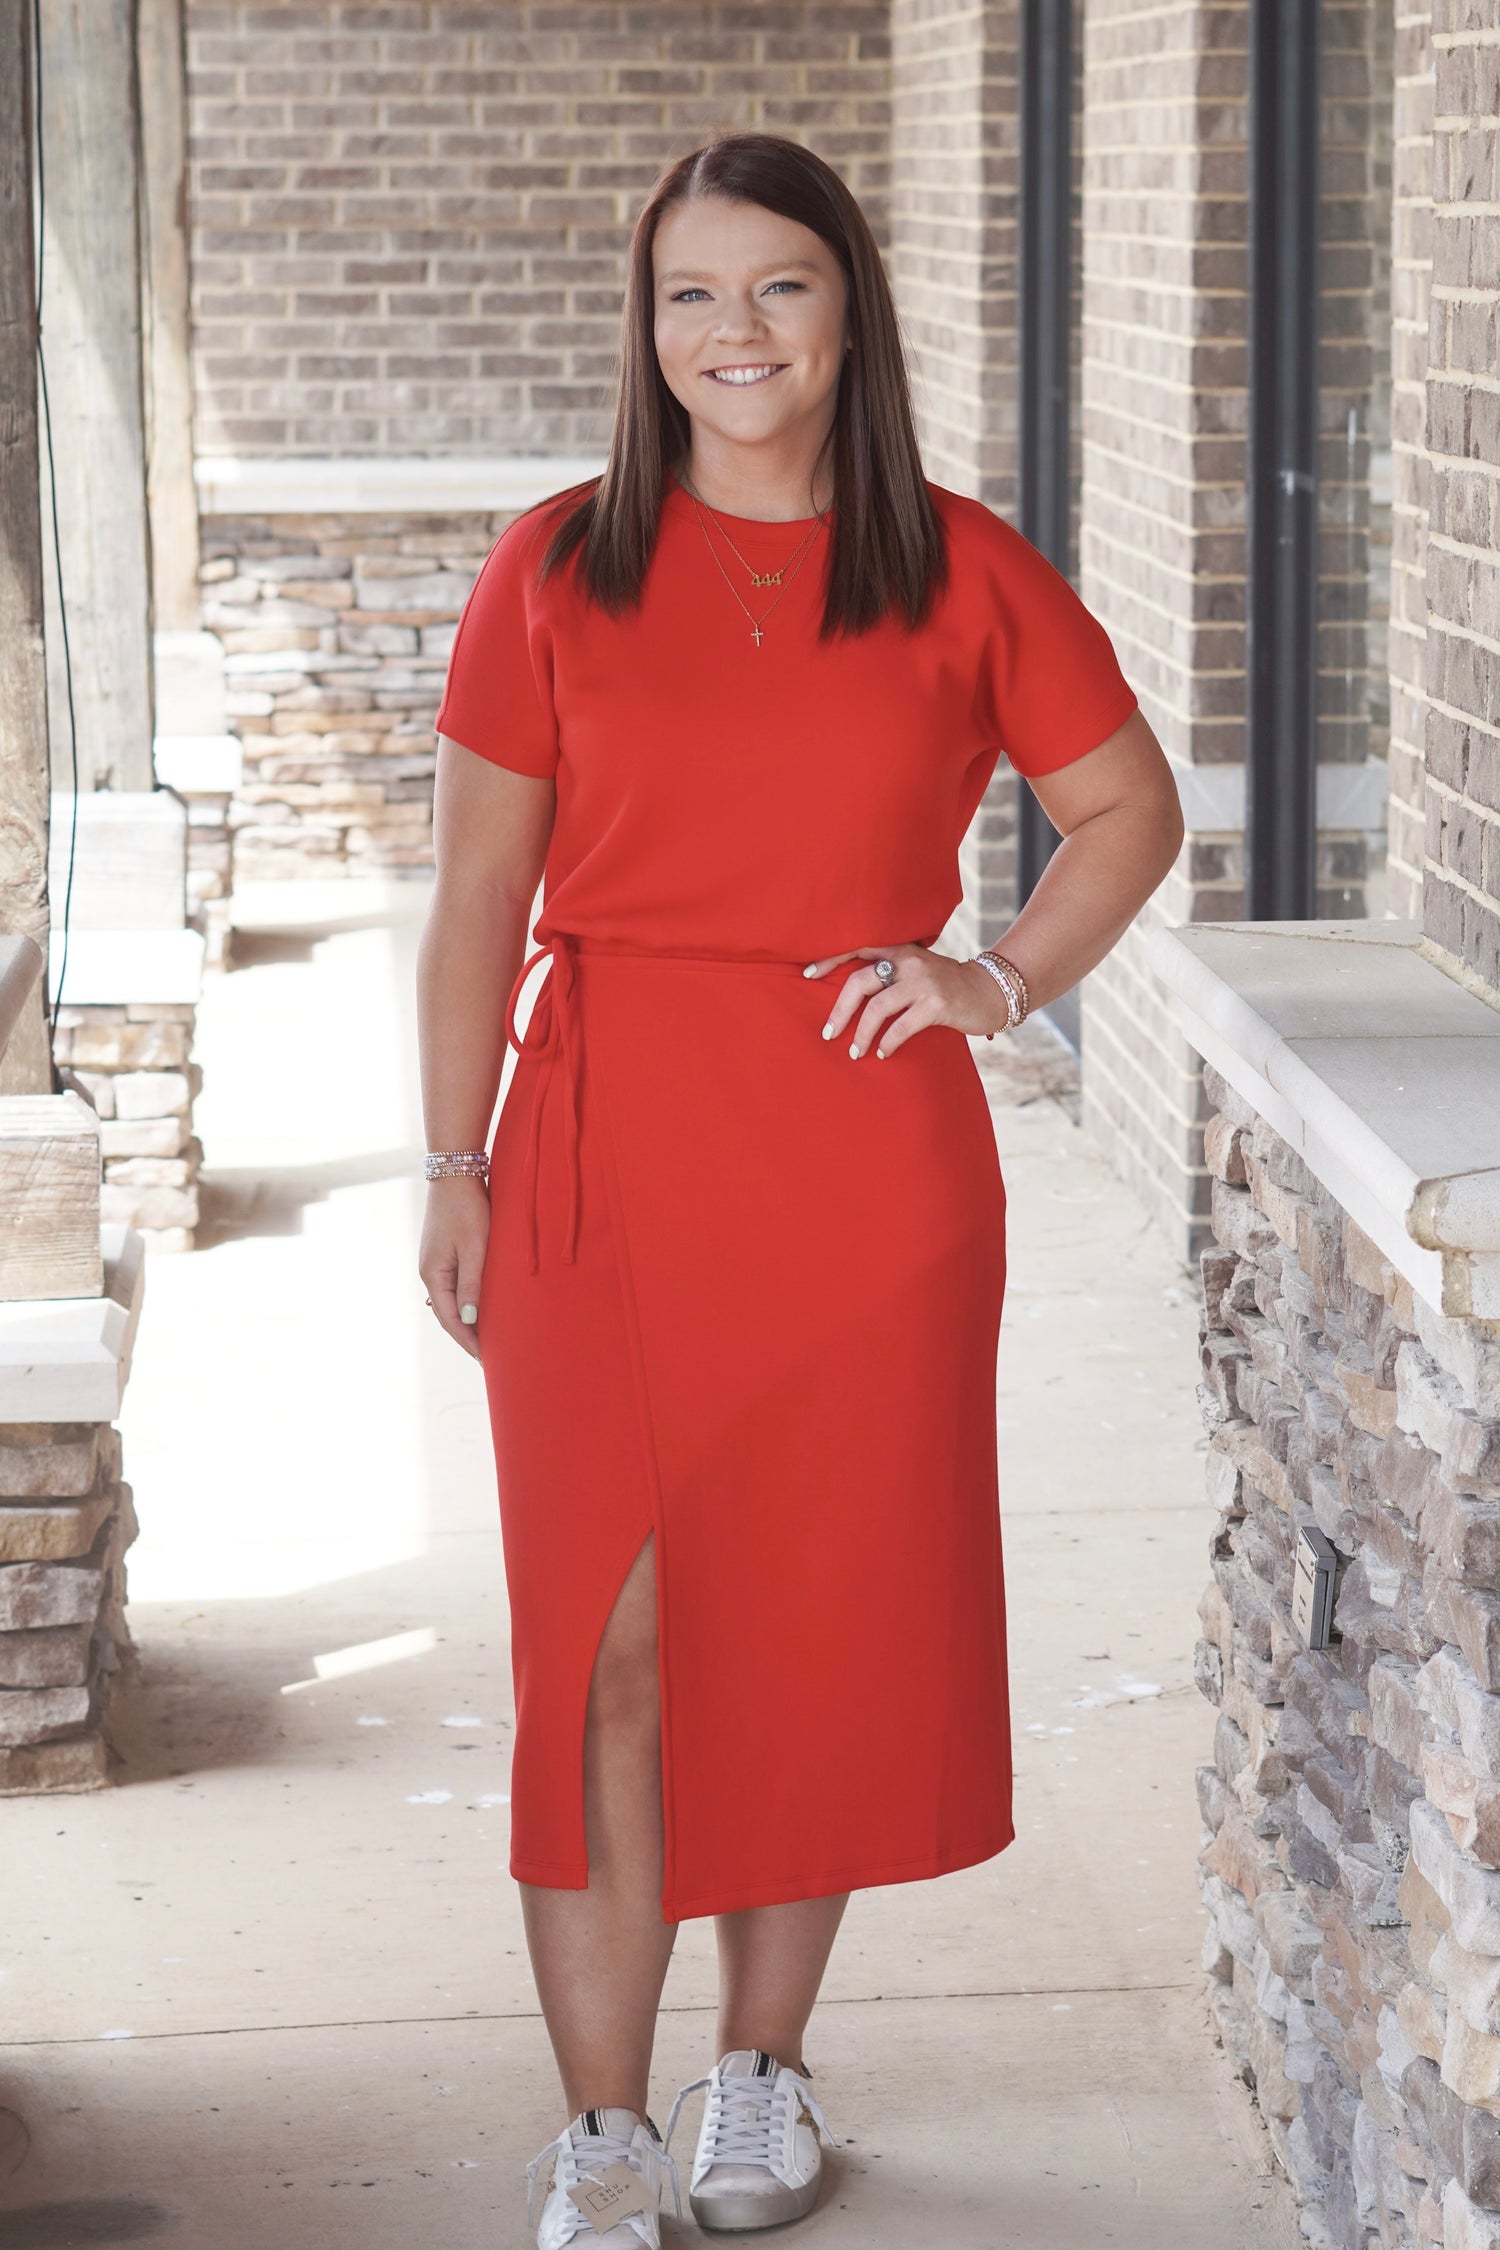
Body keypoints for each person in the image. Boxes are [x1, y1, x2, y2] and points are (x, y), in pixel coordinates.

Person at [415, 130, 1183, 2248]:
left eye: (775, 288)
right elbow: (481, 888)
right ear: (643, 328)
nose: (730, 332)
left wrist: (992, 978)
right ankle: (601, 2128)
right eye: (689, 294)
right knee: (612, 1649)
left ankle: (762, 2073)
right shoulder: (555, 566)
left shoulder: (958, 564)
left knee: (808, 1630)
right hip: (597, 1149)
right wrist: (450, 1155)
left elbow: (1126, 806)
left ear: (849, 313)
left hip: (865, 1165)